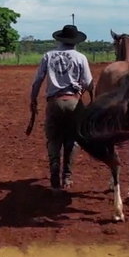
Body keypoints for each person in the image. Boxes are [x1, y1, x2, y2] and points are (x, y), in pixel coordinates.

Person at [29, 24, 94, 190]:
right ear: (75, 41)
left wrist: (33, 99)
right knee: (73, 140)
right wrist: (89, 96)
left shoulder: (48, 56)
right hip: (74, 101)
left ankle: (54, 173)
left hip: (54, 102)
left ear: (60, 39)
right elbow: (88, 83)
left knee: (53, 139)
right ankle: (67, 177)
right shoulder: (81, 58)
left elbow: (37, 80)